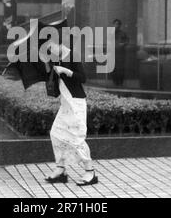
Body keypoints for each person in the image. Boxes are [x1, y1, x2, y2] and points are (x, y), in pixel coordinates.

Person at [42, 40, 98, 186]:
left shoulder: (72, 55)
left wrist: (66, 71)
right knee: (56, 133)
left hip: (76, 102)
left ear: (59, 43)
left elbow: (82, 78)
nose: (50, 51)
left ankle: (90, 172)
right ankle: (61, 170)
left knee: (77, 137)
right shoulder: (56, 59)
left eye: (51, 47)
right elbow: (53, 84)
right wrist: (48, 66)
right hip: (65, 104)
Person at [111, 19, 129, 86]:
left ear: (120, 25)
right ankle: (115, 82)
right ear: (113, 25)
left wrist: (123, 44)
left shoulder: (123, 33)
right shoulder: (111, 33)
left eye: (118, 24)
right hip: (113, 53)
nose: (116, 25)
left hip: (120, 53)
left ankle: (120, 82)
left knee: (120, 68)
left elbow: (127, 41)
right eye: (115, 24)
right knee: (113, 68)